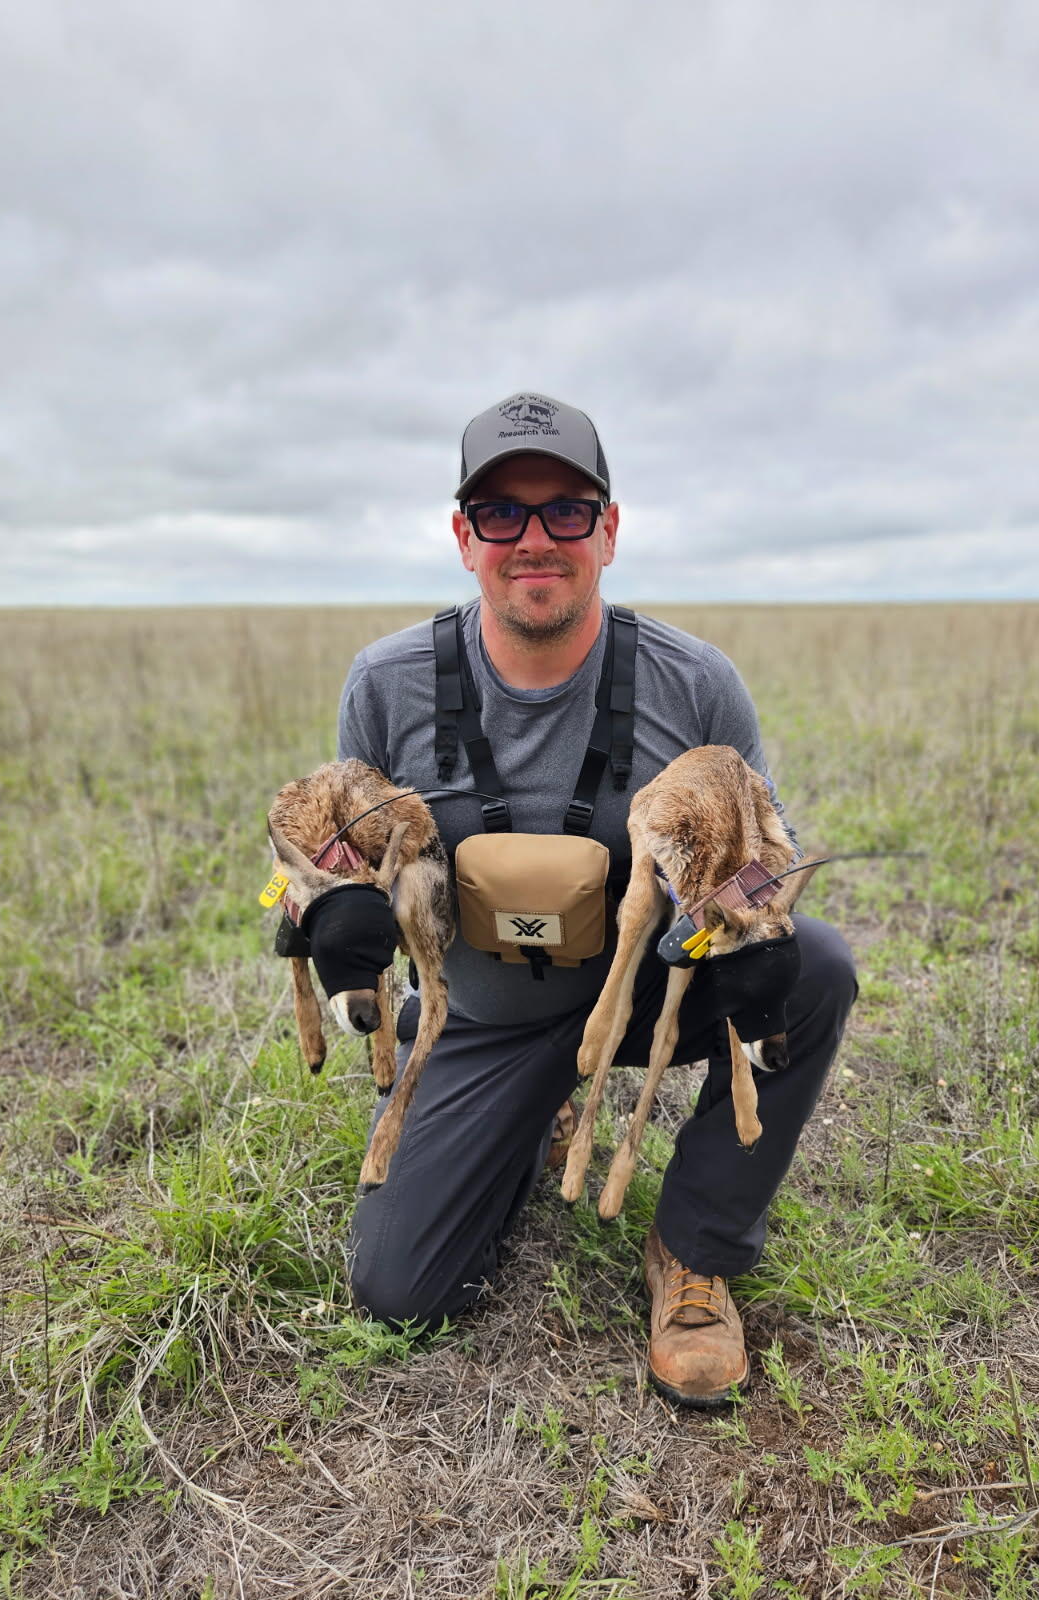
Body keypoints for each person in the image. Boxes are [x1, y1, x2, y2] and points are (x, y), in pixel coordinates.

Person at [337, 391, 857, 1408]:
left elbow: (770, 858)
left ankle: (694, 1248)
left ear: (609, 532)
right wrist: (335, 912)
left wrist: (753, 921)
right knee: (397, 1291)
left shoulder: (697, 684)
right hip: (490, 1011)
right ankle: (517, 1101)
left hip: (653, 995)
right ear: (463, 536)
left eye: (567, 511)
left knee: (819, 970)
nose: (536, 540)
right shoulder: (386, 684)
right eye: (502, 515)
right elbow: (348, 850)